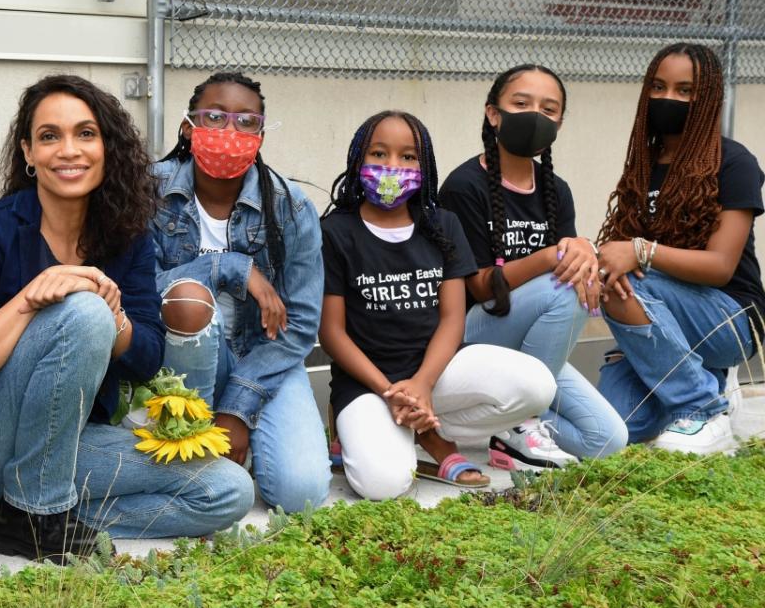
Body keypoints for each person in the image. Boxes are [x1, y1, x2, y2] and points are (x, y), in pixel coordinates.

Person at [0, 74, 252, 555]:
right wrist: (30, 299)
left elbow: (145, 358)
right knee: (81, 310)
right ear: (28, 153)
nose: (69, 150)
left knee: (227, 491)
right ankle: (32, 516)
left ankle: (14, 513)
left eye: (85, 134)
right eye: (49, 136)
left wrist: (114, 314)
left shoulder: (126, 237)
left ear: (107, 147)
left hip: (59, 447)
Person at [319, 110, 556, 499]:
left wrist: (423, 384)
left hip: (437, 372)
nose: (393, 166)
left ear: (424, 165)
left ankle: (428, 431)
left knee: (536, 385)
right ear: (358, 160)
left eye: (408, 157)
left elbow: (451, 319)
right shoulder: (335, 232)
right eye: (379, 154)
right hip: (367, 382)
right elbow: (331, 332)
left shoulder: (442, 225)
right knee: (384, 485)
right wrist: (391, 391)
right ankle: (381, 427)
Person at [151, 71, 331, 513]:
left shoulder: (292, 207)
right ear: (187, 128)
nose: (229, 132)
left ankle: (232, 439)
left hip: (264, 358)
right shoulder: (147, 191)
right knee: (190, 296)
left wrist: (237, 406)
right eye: (214, 117)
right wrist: (229, 266)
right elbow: (140, 291)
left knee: (301, 495)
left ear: (261, 135)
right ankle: (196, 445)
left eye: (246, 122)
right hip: (177, 358)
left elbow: (303, 323)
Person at [439, 64, 627, 467]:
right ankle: (518, 422)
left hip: (531, 343)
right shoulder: (464, 186)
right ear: (494, 113)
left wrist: (589, 259)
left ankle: (517, 421)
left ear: (559, 122)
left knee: (607, 438)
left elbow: (574, 269)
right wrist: (550, 256)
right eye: (521, 103)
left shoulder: (556, 191)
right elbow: (479, 289)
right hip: (472, 337)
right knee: (565, 286)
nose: (536, 116)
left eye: (549, 109)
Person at [596, 43, 764, 454]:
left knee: (630, 279)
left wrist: (640, 252)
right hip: (665, 313)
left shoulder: (733, 162)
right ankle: (688, 376)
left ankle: (702, 405)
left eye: (685, 90)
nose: (668, 99)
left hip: (730, 320)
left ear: (707, 99)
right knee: (610, 431)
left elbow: (721, 267)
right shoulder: (644, 161)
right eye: (658, 86)